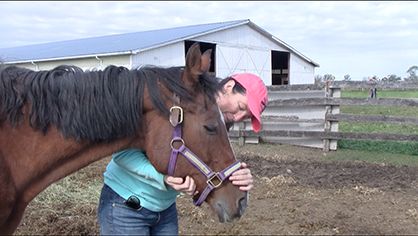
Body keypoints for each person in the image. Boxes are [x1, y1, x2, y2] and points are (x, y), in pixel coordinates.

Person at [97, 73, 268, 235]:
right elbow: (121, 154)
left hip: (165, 209)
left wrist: (237, 178)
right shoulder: (176, 102)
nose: (238, 118)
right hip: (127, 206)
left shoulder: (215, 126)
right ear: (229, 86)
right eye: (240, 107)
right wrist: (162, 178)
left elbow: (209, 167)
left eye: (245, 117)